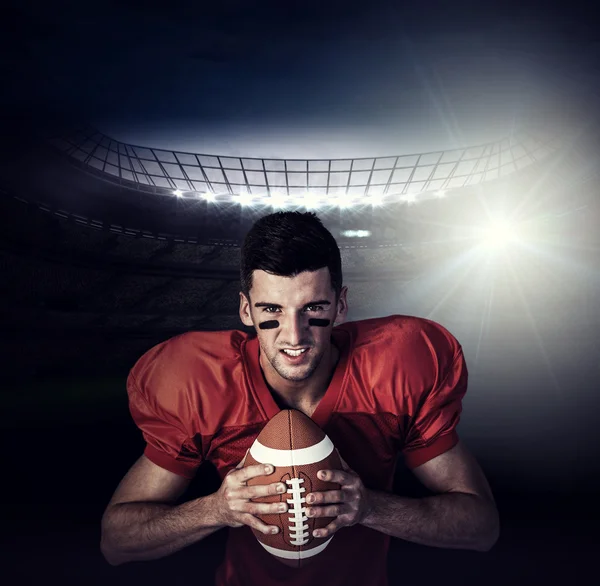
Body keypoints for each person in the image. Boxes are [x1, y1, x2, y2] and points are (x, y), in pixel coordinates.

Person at [100, 211, 499, 586]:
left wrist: (371, 508)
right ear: (245, 310)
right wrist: (216, 510)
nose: (295, 335)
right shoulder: (200, 383)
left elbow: (480, 528)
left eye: (313, 308)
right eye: (272, 309)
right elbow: (117, 541)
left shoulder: (395, 369)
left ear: (340, 306)